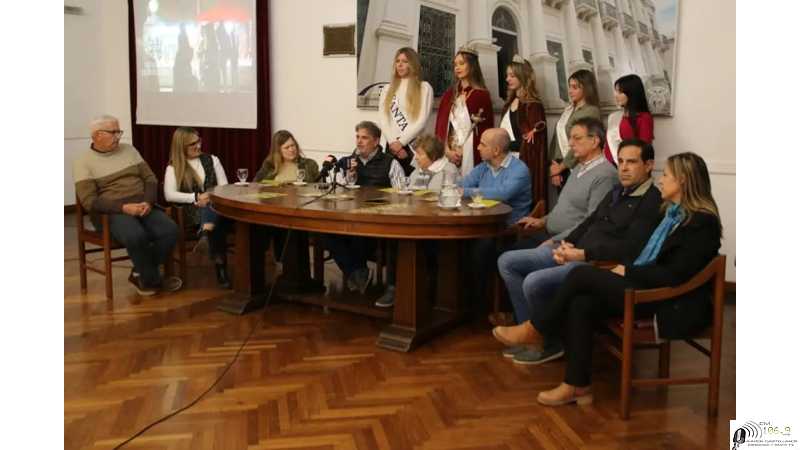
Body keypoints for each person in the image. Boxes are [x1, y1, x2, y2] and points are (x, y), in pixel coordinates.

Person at [494, 152, 722, 407]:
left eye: (666, 175)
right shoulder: (672, 214)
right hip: (648, 284)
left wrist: (628, 271)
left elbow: (676, 275)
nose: (661, 180)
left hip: (669, 300)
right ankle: (577, 386)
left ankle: (537, 328)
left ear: (683, 180)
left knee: (579, 274)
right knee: (581, 302)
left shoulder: (702, 222)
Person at [496, 139, 662, 365]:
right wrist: (566, 243)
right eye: (621, 161)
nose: (623, 168)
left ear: (649, 164)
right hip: (577, 250)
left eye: (631, 162)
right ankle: (532, 338)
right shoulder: (617, 191)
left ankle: (548, 341)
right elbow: (589, 222)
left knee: (534, 282)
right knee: (508, 261)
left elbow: (629, 248)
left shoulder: (651, 201)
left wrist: (581, 254)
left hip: (598, 264)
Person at [73, 114, 182, 296]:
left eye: (119, 131)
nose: (118, 136)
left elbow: (150, 178)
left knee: (170, 230)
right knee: (136, 236)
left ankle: (140, 273)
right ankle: (152, 280)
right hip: (111, 213)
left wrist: (147, 201)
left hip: (142, 204)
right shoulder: (83, 161)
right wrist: (123, 208)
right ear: (97, 135)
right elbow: (90, 201)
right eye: (113, 132)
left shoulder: (129, 150)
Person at [457, 128, 531, 316]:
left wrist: (468, 192)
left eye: (482, 144)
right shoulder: (483, 167)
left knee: (480, 248)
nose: (478, 147)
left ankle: (478, 305)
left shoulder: (519, 169)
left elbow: (503, 194)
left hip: (507, 230)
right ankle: (456, 301)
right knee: (453, 245)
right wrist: (465, 190)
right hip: (480, 225)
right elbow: (461, 186)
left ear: (496, 150)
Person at [325, 121, 404, 298]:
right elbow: (339, 189)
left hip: (380, 218)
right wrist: (350, 176)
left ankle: (359, 274)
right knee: (326, 233)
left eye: (364, 138)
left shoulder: (390, 163)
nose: (359, 141)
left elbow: (401, 194)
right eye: (357, 137)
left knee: (357, 234)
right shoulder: (349, 161)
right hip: (352, 215)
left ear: (376, 141)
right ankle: (357, 271)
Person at [515, 117, 618, 248]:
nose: (570, 143)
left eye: (577, 138)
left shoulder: (605, 175)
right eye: (570, 138)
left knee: (505, 259)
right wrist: (542, 221)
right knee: (501, 252)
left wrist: (555, 241)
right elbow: (566, 208)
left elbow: (592, 222)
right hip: (548, 234)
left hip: (568, 244)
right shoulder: (579, 168)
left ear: (594, 141)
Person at [164, 127, 232, 288]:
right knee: (217, 222)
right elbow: (169, 194)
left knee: (215, 215)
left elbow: (225, 187)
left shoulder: (212, 160)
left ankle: (206, 233)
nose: (198, 146)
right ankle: (221, 270)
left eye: (199, 141)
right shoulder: (174, 167)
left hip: (216, 206)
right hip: (191, 211)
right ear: (181, 147)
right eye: (192, 144)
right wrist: (195, 197)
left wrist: (209, 196)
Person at [435, 43, 494, 177]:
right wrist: (447, 150)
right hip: (448, 154)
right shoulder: (449, 95)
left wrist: (463, 151)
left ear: (472, 66)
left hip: (469, 154)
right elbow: (440, 126)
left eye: (461, 63)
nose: (457, 68)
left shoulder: (482, 95)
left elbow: (486, 131)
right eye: (455, 64)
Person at [500, 55, 548, 209]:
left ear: (523, 76)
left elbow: (534, 143)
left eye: (512, 75)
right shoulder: (509, 103)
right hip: (506, 160)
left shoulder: (533, 105)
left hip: (523, 162)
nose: (508, 79)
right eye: (507, 75)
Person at [378, 47, 434, 176]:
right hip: (391, 147)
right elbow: (383, 118)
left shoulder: (424, 88)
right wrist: (394, 144)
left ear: (413, 64)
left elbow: (421, 120)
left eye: (405, 61)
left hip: (413, 147)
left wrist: (401, 143)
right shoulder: (387, 89)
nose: (400, 64)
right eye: (397, 61)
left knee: (412, 187)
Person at [548, 70, 601, 191]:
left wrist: (561, 167)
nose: (570, 91)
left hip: (578, 166)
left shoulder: (591, 111)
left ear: (586, 88)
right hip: (561, 166)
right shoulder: (569, 109)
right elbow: (557, 137)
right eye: (569, 87)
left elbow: (582, 143)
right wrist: (555, 166)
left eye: (575, 87)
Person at [604, 74, 654, 165]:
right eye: (615, 91)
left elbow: (644, 148)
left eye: (620, 92)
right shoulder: (614, 117)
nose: (616, 95)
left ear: (631, 93)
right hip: (608, 167)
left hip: (629, 167)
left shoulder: (643, 118)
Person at [254, 130, 319, 183]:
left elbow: (321, 188)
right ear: (278, 151)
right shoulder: (269, 165)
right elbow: (256, 184)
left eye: (292, 145)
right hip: (277, 199)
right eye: (286, 147)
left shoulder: (310, 164)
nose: (291, 149)